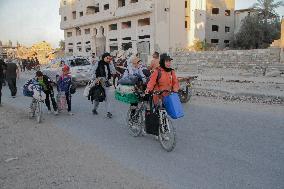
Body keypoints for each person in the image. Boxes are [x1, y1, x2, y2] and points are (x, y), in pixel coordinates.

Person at [91, 52, 116, 118]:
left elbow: (113, 72)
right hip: (98, 82)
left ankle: (108, 112)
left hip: (106, 82)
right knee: (97, 98)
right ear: (103, 57)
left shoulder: (109, 64)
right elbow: (92, 71)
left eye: (109, 58)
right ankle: (94, 109)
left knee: (107, 97)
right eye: (107, 58)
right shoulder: (98, 63)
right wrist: (95, 78)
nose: (108, 59)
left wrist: (111, 64)